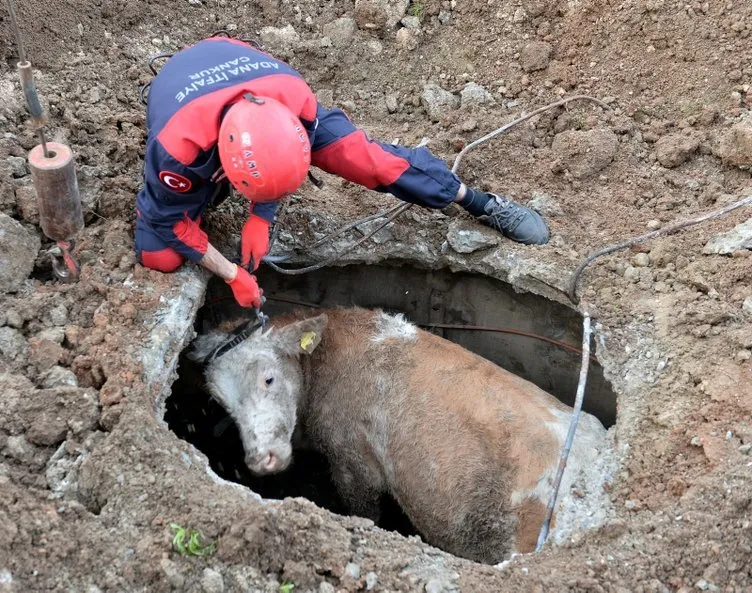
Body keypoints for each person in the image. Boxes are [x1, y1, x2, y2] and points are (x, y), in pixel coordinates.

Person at [134, 35, 549, 309]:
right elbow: (166, 220)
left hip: (247, 68)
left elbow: (277, 164)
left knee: (374, 161)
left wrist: (262, 215)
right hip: (184, 87)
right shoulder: (176, 152)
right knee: (161, 255)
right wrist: (231, 274)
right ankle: (206, 202)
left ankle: (480, 203)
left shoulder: (294, 98)